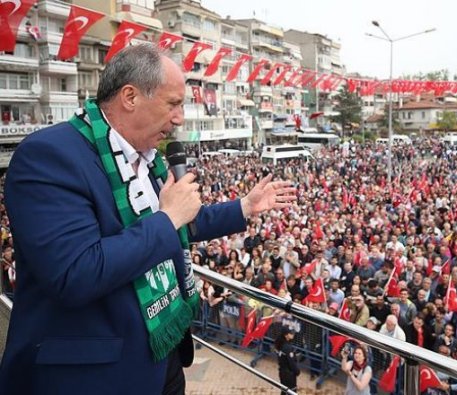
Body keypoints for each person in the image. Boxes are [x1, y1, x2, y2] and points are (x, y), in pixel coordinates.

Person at [0, 44, 296, 395]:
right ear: (130, 97)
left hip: (162, 351)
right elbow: (74, 273)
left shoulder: (147, 157)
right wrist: (167, 217)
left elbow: (181, 223)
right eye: (173, 103)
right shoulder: (49, 156)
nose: (180, 117)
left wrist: (243, 207)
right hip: (95, 374)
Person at [275, 327, 300, 394]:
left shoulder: (280, 343)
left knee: (284, 391)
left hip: (282, 372)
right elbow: (291, 363)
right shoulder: (287, 348)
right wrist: (297, 371)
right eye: (291, 333)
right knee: (291, 392)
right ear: (286, 335)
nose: (293, 334)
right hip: (289, 374)